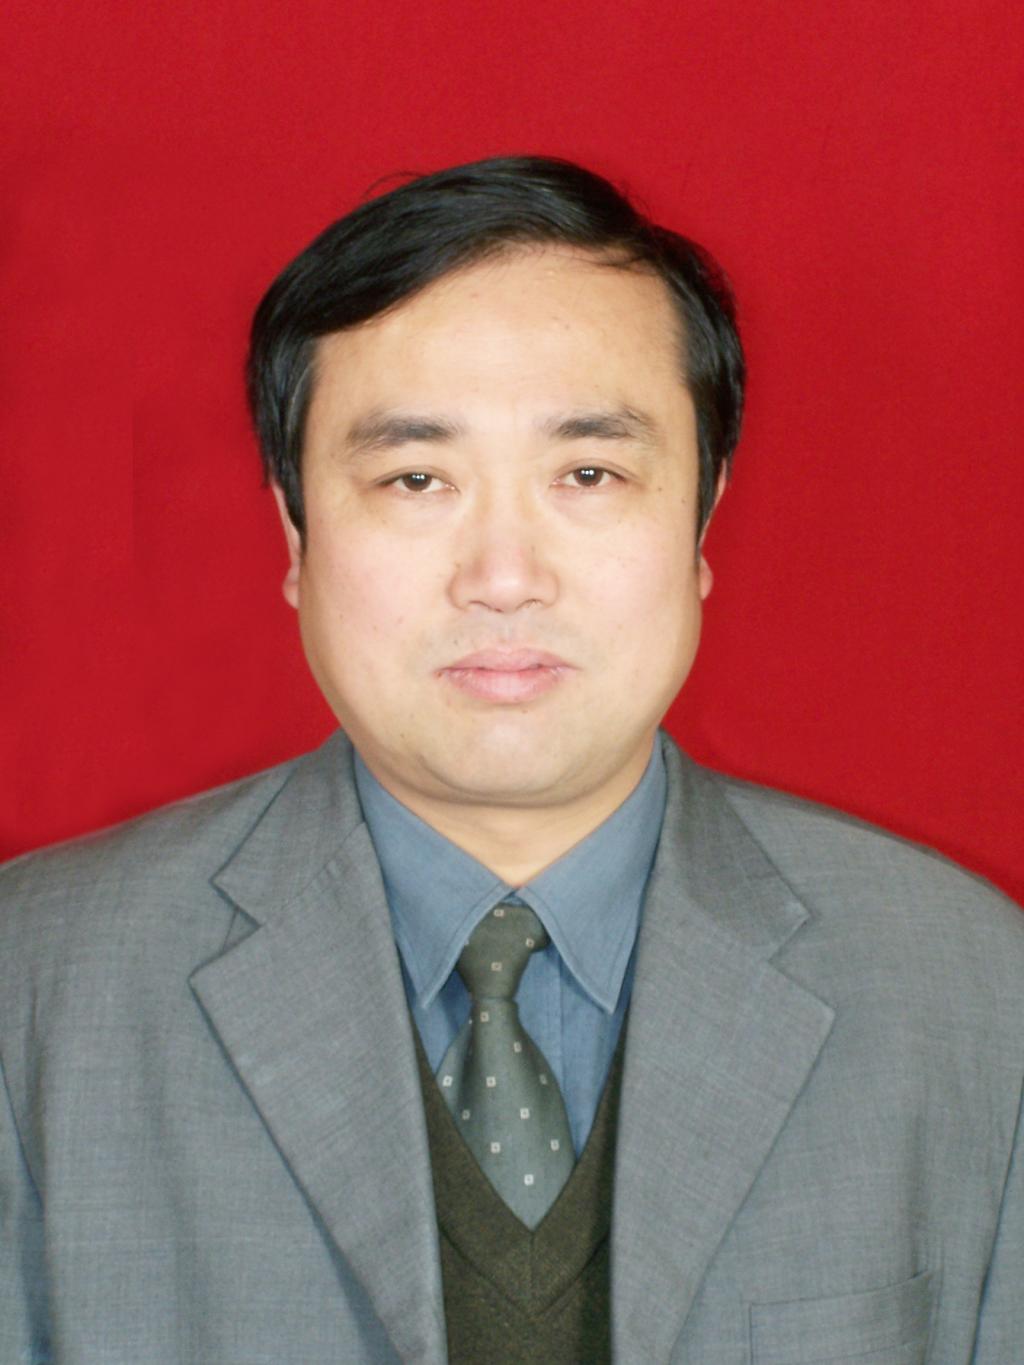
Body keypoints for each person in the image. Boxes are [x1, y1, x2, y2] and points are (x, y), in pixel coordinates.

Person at [1, 156, 1021, 1364]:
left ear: (700, 519)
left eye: (587, 474)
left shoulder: (971, 992)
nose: (502, 577)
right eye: (415, 478)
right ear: (296, 535)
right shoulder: (34, 991)